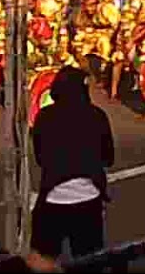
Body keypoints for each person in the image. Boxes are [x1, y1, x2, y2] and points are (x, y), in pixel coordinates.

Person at [30, 65, 114, 260]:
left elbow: (40, 158)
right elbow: (109, 158)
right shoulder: (97, 115)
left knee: (44, 261)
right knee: (89, 261)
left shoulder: (44, 117)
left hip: (53, 199)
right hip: (89, 200)